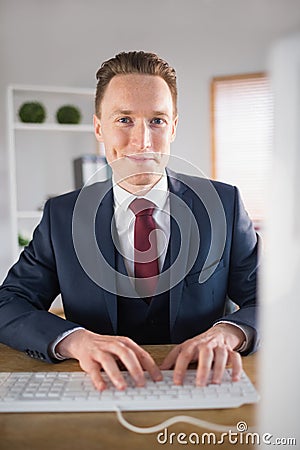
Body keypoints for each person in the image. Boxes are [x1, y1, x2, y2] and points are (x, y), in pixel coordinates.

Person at [0, 51, 259, 391]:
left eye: (157, 120)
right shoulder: (61, 217)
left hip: (202, 387)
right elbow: (8, 304)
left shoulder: (223, 205)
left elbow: (270, 300)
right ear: (98, 128)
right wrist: (74, 340)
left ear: (174, 126)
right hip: (98, 391)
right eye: (124, 120)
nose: (143, 141)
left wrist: (230, 333)